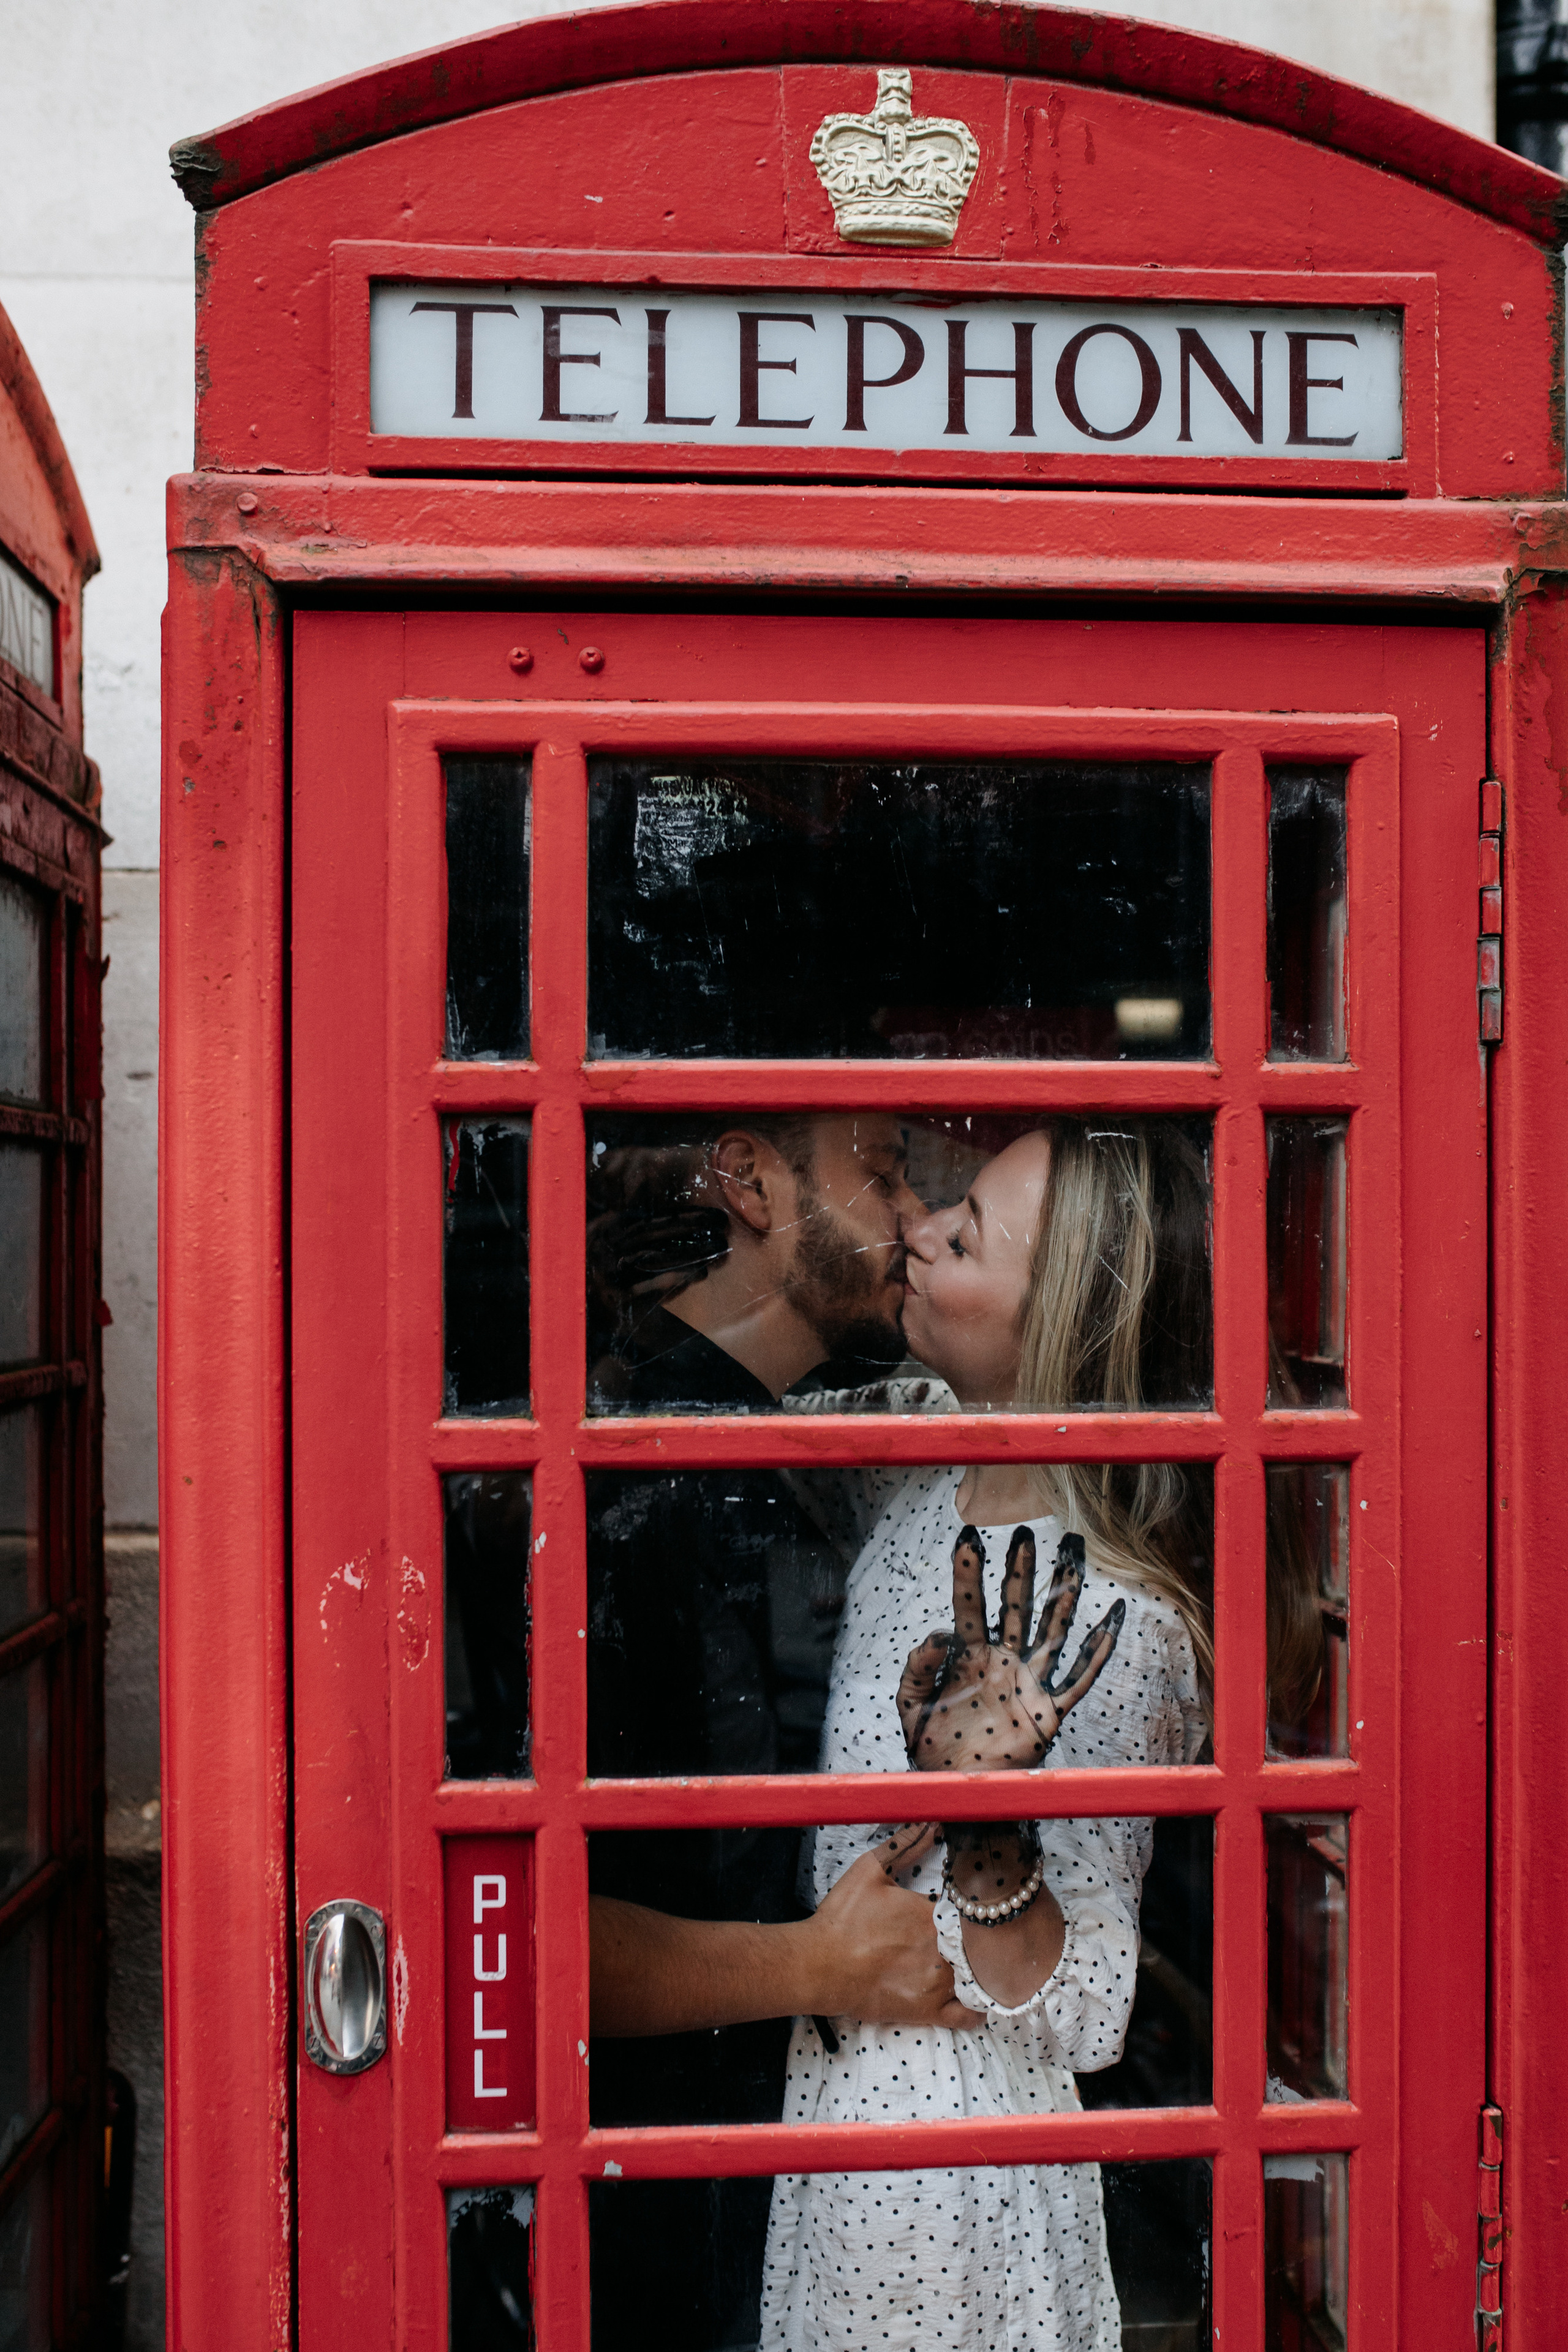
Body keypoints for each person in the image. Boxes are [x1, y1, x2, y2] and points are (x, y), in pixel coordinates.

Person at [762, 1118, 1325, 2350]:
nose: (918, 1231)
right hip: (837, 2113)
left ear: (1055, 1337)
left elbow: (1083, 2014)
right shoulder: (923, 1461)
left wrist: (991, 1836)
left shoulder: (1112, 1623)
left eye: (963, 1240)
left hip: (945, 2176)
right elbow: (721, 1415)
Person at [584, 1110, 976, 2350]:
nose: (912, 1216)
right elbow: (510, 1918)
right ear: (753, 1183)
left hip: (757, 2145)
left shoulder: (765, 1432)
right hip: (656, 2177)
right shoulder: (640, 1486)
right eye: (882, 1172)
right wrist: (817, 1967)